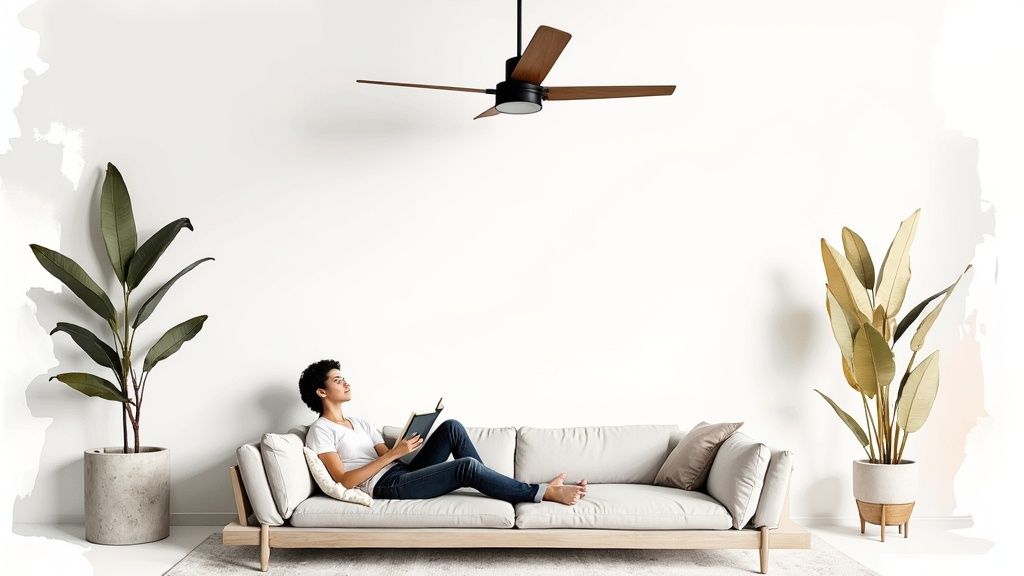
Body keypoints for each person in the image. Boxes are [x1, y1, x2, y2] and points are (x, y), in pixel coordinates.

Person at [298, 359, 587, 504]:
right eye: (338, 380)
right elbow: (344, 481)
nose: (346, 383)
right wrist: (394, 455)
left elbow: (393, 458)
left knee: (451, 428)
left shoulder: (360, 423)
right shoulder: (321, 431)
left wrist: (408, 444)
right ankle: (546, 493)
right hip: (384, 486)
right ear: (321, 391)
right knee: (467, 468)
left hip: (399, 472)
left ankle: (516, 489)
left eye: (344, 378)